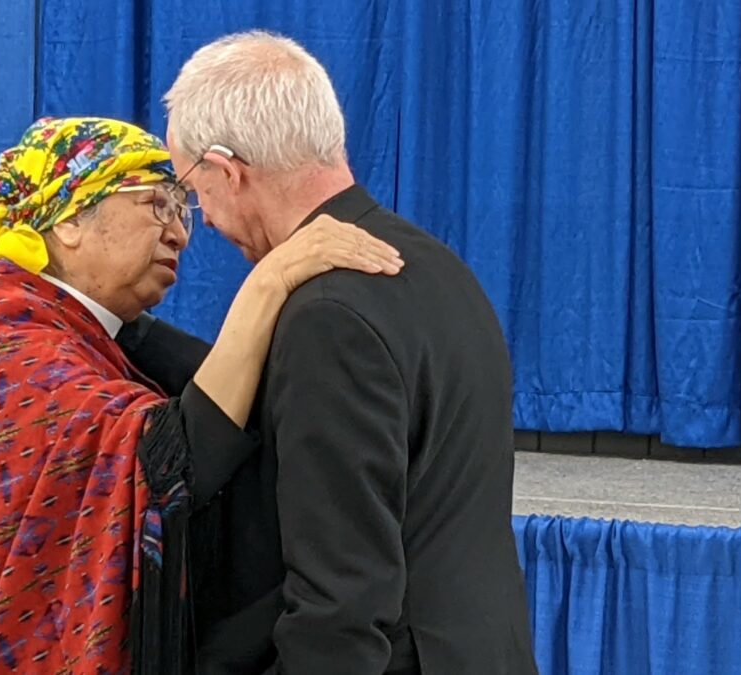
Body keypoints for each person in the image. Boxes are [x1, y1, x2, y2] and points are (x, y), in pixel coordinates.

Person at [0, 116, 402, 674]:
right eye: (157, 204)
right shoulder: (0, 343)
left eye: (183, 211)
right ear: (72, 218)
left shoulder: (70, 332)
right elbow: (171, 460)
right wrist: (270, 282)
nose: (178, 233)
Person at [117, 31, 538, 674]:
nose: (197, 217)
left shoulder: (328, 319)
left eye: (192, 190)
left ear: (229, 171)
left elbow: (341, 607)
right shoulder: (434, 268)